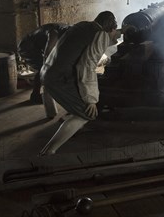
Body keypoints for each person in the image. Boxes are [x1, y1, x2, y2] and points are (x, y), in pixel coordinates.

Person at [39, 11, 121, 155]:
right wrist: (91, 99)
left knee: (77, 105)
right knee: (86, 114)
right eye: (115, 30)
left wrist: (118, 34)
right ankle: (48, 152)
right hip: (59, 79)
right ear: (111, 28)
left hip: (47, 72)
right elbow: (86, 66)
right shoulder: (100, 34)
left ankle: (68, 121)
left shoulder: (82, 26)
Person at [17, 23, 71, 104]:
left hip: (37, 47)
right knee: (42, 68)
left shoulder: (68, 31)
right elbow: (47, 56)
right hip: (26, 47)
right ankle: (35, 96)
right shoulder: (54, 33)